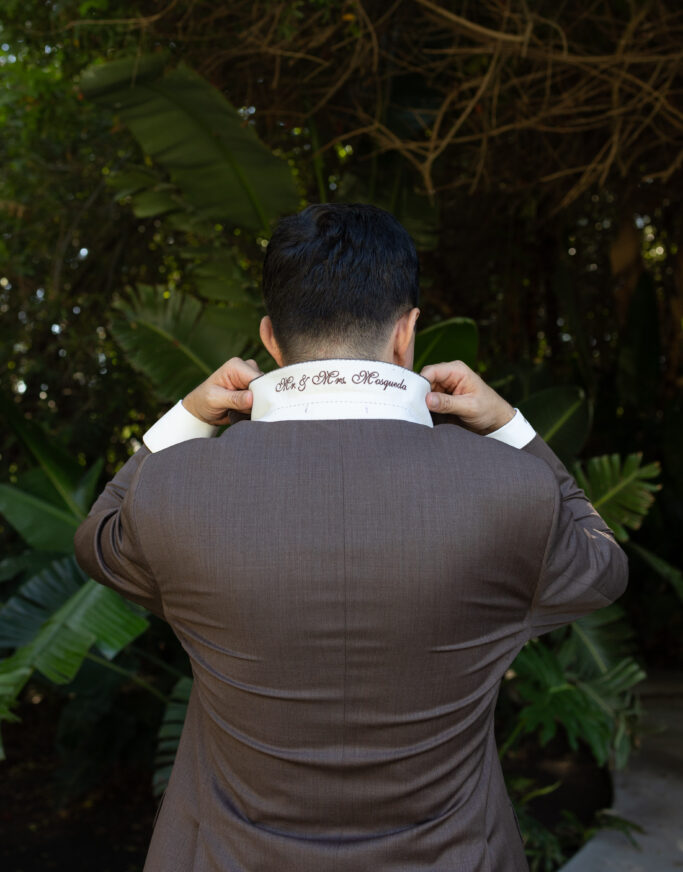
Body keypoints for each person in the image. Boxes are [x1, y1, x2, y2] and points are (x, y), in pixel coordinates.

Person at [74, 203, 628, 872]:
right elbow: (600, 564)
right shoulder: (511, 490)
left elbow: (97, 538)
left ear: (270, 339)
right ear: (406, 333)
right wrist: (513, 427)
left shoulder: (174, 489)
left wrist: (186, 418)